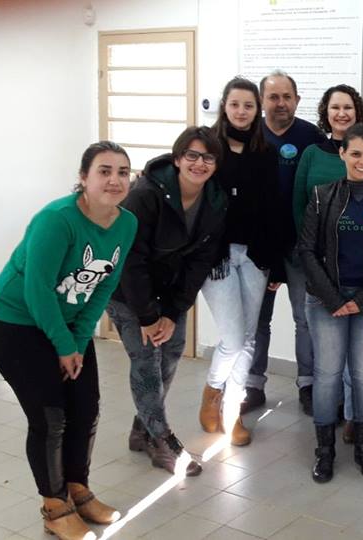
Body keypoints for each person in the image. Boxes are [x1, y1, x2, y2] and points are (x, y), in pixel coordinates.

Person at [0, 141, 137, 538]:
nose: (115, 180)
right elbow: (37, 290)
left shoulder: (126, 224)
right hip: (15, 324)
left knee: (86, 409)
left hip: (67, 325)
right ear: (83, 178)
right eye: (104, 171)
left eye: (122, 172)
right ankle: (54, 506)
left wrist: (79, 340)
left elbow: (103, 287)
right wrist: (64, 346)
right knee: (50, 416)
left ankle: (77, 490)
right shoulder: (57, 220)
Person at [106, 126, 226, 478]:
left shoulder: (215, 200)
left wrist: (172, 312)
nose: (199, 164)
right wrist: (147, 316)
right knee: (147, 360)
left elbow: (200, 261)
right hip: (128, 291)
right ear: (177, 159)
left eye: (208, 157)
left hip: (169, 290)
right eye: (192, 155)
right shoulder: (146, 194)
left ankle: (142, 429)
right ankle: (162, 440)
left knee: (171, 354)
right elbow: (131, 259)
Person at [297, 123, 363, 483]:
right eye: (356, 153)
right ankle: (324, 450)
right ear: (342, 154)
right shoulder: (321, 196)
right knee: (327, 375)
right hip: (325, 301)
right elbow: (307, 251)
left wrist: (361, 300)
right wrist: (334, 300)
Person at [292, 83, 363, 442]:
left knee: (361, 365)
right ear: (326, 112)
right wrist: (309, 254)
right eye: (336, 107)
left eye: (348, 107)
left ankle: (353, 417)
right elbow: (298, 205)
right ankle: (326, 431)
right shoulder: (312, 154)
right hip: (319, 268)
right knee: (327, 360)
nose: (342, 113)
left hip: (361, 273)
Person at [198, 76, 281, 447]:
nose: (242, 111)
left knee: (248, 339)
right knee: (233, 339)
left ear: (257, 109)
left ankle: (232, 411)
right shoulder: (208, 147)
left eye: (249, 105)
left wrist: (275, 263)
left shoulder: (265, 152)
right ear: (224, 106)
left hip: (255, 255)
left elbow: (273, 206)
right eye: (235, 104)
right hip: (217, 256)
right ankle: (212, 391)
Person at [245, 70, 327, 417]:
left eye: (287, 97)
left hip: (299, 245)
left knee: (304, 318)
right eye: (273, 97)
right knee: (256, 319)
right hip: (259, 247)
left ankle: (307, 383)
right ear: (262, 101)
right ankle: (253, 385)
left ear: (297, 99)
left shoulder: (312, 136)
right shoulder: (250, 134)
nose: (280, 103)